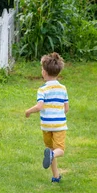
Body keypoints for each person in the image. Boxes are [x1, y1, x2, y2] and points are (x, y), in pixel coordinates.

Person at [25, 52, 69, 183]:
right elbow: (66, 109)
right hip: (59, 125)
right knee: (59, 150)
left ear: (44, 72)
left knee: (50, 150)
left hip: (46, 126)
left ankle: (56, 176)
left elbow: (39, 106)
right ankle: (52, 159)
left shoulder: (42, 89)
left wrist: (28, 111)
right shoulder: (63, 88)